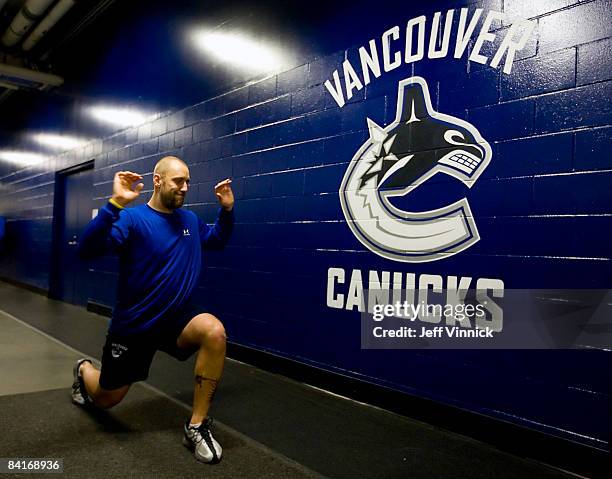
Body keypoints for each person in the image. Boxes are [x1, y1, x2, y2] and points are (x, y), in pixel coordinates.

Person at [74, 155, 234, 464]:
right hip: (135, 324)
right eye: (178, 181)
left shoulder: (189, 220)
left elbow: (216, 240)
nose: (185, 187)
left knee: (214, 331)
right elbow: (87, 250)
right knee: (107, 398)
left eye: (187, 181)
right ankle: (83, 370)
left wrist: (226, 211)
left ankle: (196, 425)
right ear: (158, 181)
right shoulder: (132, 219)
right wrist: (114, 205)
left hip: (176, 317)